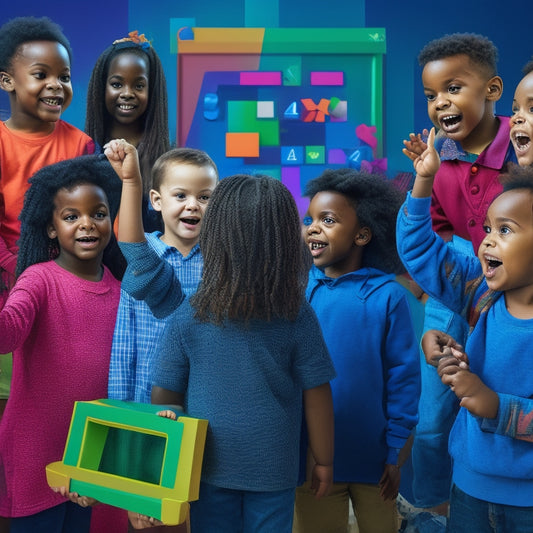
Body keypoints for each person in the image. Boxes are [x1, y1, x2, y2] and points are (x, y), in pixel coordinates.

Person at [104, 139, 336, 533]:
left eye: (205, 199)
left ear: (218, 235)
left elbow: (165, 395)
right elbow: (318, 395)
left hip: (212, 471)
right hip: (243, 472)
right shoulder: (294, 313)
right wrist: (324, 459)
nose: (194, 206)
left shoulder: (190, 313)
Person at [400, 32, 517, 520]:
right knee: (432, 416)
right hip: (458, 281)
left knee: (491, 388)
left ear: (491, 90)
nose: (440, 102)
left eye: (453, 88)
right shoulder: (439, 159)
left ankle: (493, 492)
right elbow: (437, 232)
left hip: (512, 282)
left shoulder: (520, 144)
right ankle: (429, 507)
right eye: (431, 95)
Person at [397, 126, 533, 532]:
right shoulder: (481, 294)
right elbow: (420, 250)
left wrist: (494, 406)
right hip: (469, 489)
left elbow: (490, 403)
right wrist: (424, 180)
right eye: (488, 229)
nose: (486, 243)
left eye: (505, 230)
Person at [0, 21, 96, 520]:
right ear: (7, 80)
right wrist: (16, 269)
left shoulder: (80, 143)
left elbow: (91, 213)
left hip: (66, 286)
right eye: (42, 73)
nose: (57, 84)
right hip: (13, 285)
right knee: (17, 400)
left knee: (59, 396)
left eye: (65, 74)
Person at [292, 169, 420, 533]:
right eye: (310, 220)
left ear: (363, 234)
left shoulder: (389, 296)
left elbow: (404, 379)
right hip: (312, 460)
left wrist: (396, 452)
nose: (313, 228)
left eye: (327, 220)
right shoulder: (298, 292)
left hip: (375, 462)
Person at [0, 154, 123, 533]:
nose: (86, 224)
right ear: (51, 228)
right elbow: (7, 334)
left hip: (91, 455)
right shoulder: (38, 280)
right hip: (35, 451)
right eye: (71, 217)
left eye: (98, 213)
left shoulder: (121, 292)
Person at [108, 147, 218, 403]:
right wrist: (119, 406)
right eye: (181, 195)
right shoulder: (144, 260)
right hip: (146, 397)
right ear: (157, 200)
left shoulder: (219, 262)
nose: (192, 205)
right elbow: (125, 344)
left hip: (203, 397)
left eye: (204, 197)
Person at [85, 30, 170, 233]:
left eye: (139, 86)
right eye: (116, 84)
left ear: (152, 91)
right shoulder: (83, 151)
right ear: (101, 87)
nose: (127, 94)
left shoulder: (168, 161)